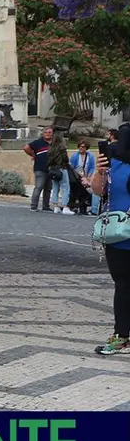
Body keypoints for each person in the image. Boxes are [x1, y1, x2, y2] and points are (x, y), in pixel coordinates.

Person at [91, 135, 130, 355]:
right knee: (123, 286)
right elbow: (98, 190)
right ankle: (121, 335)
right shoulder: (113, 162)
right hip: (118, 234)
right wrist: (99, 171)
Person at [24, 126, 54, 211]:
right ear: (43, 133)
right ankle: (34, 206)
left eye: (49, 132)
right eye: (46, 132)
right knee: (39, 187)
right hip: (40, 168)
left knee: (48, 188)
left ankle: (46, 206)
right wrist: (33, 155)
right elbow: (26, 148)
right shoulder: (38, 142)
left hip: (51, 169)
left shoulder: (54, 143)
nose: (48, 134)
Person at [47, 131, 74, 215]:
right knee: (65, 188)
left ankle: (55, 206)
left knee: (55, 188)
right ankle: (65, 206)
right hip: (61, 168)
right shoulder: (61, 147)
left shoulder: (50, 147)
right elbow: (65, 159)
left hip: (53, 169)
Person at [72, 140, 98, 214]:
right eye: (80, 146)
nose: (81, 148)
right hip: (77, 177)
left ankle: (84, 207)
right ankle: (77, 206)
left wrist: (89, 176)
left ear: (86, 148)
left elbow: (92, 167)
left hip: (86, 177)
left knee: (86, 192)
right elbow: (72, 167)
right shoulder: (75, 156)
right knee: (78, 192)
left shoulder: (90, 156)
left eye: (83, 147)